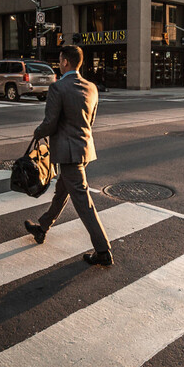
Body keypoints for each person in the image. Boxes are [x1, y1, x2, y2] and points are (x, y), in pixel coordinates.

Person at [24, 45, 113, 266]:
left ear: (65, 62)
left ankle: (103, 250)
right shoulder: (92, 87)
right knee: (62, 192)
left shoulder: (58, 88)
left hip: (67, 152)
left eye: (60, 59)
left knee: (83, 202)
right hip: (84, 149)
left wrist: (38, 132)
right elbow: (90, 122)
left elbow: (50, 123)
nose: (59, 63)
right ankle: (42, 228)